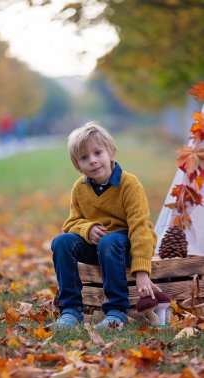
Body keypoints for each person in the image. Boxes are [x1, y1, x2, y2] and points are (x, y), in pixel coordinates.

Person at [51, 121, 161, 329]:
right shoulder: (80, 188)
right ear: (78, 165)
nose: (92, 161)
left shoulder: (129, 184)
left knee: (110, 241)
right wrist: (87, 229)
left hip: (126, 245)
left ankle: (116, 311)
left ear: (111, 152)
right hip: (99, 247)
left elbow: (140, 228)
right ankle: (71, 310)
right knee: (62, 242)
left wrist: (142, 273)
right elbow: (71, 223)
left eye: (97, 153)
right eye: (84, 158)